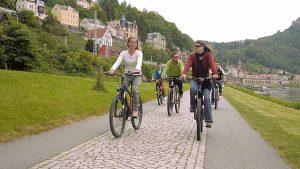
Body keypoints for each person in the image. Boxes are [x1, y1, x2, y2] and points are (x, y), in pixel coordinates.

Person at [181, 40, 218, 128]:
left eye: (198, 46)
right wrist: (184, 73)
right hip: (195, 79)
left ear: (203, 47)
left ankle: (208, 120)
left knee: (207, 99)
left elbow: (212, 65)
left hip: (206, 80)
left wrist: (214, 73)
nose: (196, 47)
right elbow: (187, 65)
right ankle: (193, 106)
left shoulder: (208, 55)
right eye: (195, 46)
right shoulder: (192, 56)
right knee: (193, 89)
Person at [109, 36, 143, 118]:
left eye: (135, 42)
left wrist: (137, 69)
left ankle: (135, 110)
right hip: (127, 75)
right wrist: (112, 69)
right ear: (128, 43)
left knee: (134, 90)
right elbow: (118, 62)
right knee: (121, 91)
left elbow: (139, 62)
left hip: (136, 76)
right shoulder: (123, 53)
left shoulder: (139, 53)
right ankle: (125, 108)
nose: (134, 44)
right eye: (132, 42)